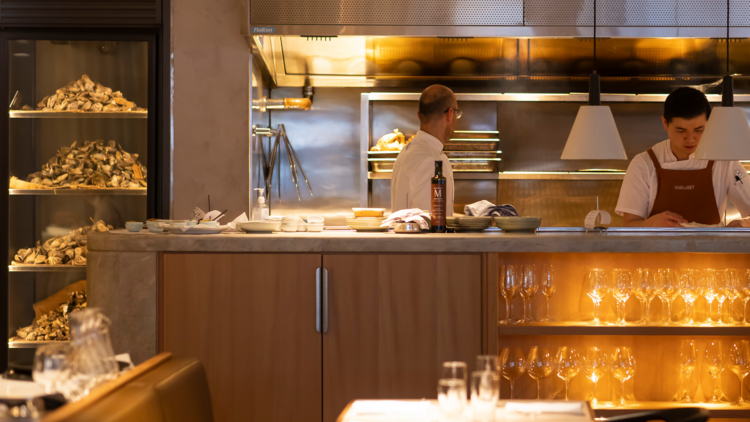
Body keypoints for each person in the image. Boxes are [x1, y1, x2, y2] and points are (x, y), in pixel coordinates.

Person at [615, 87, 750, 227]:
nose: (690, 139)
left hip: (709, 248)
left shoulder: (724, 161)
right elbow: (629, 225)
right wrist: (651, 223)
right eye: (681, 130)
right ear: (665, 123)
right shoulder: (644, 164)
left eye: (699, 130)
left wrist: (742, 224)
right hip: (658, 248)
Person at [390, 85, 458, 214]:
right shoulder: (433, 161)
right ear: (450, 114)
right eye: (457, 114)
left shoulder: (407, 151)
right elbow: (429, 223)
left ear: (419, 115)